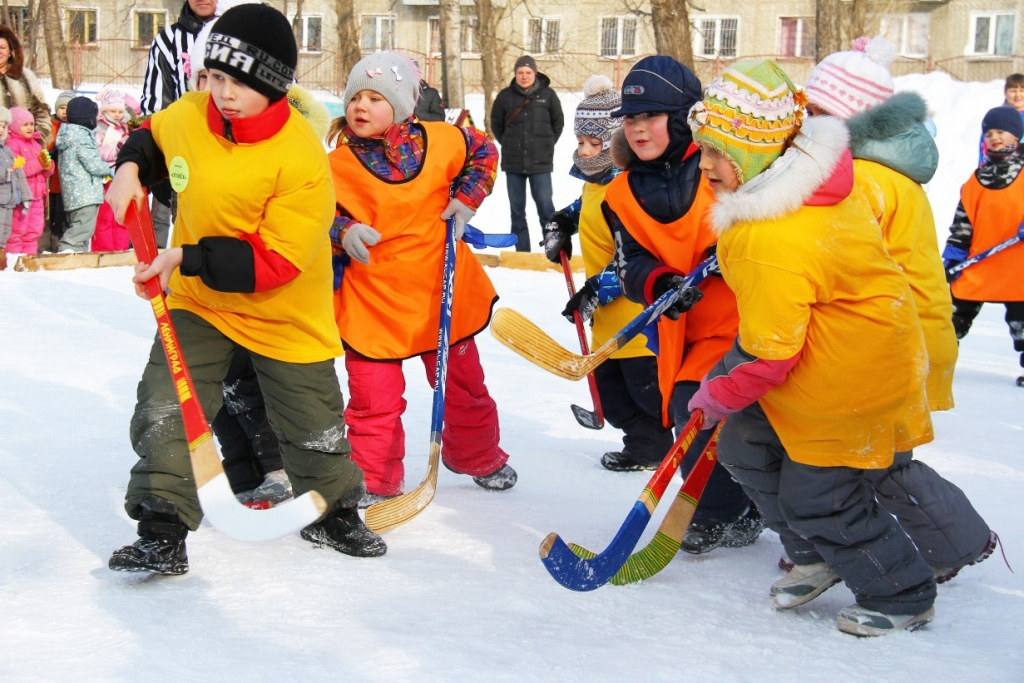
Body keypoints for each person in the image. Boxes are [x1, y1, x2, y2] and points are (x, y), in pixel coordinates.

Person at [105, 4, 385, 575]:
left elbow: (275, 261)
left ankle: (332, 512)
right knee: (167, 403)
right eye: (216, 78)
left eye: (241, 83)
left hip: (282, 307)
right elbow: (154, 137)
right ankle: (162, 526)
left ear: (276, 88)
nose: (224, 94)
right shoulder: (192, 112)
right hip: (200, 302)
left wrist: (184, 256)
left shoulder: (300, 157)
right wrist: (131, 168)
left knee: (312, 420)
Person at [687, 59, 937, 636]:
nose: (706, 166)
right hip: (817, 361)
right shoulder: (801, 183)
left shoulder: (769, 234)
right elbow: (770, 338)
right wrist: (725, 389)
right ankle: (817, 556)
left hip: (851, 376)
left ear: (756, 150)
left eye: (718, 151)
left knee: (818, 495)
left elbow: (770, 354)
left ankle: (902, 590)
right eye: (703, 148)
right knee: (746, 444)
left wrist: (718, 393)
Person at [803, 36, 996, 584]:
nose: (805, 125)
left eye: (817, 113)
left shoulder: (863, 182)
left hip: (897, 338)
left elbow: (841, 261)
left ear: (848, 119)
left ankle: (956, 542)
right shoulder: (878, 171)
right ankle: (944, 539)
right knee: (878, 458)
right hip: (906, 332)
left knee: (882, 462)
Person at [328, 52, 516, 507]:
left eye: (375, 98)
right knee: (373, 400)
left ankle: (476, 455)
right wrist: (342, 231)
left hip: (441, 290)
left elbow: (485, 150)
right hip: (374, 298)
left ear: (403, 104)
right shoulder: (335, 165)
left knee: (464, 386)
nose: (362, 106)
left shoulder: (443, 139)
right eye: (356, 97)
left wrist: (467, 199)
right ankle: (374, 478)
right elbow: (312, 213)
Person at [600, 56, 761, 553]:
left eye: (650, 116)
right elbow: (630, 264)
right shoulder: (620, 193)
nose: (638, 128)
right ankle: (728, 510)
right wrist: (663, 281)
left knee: (713, 408)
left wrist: (732, 247)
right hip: (685, 327)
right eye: (630, 118)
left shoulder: (718, 165)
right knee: (683, 410)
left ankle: (731, 508)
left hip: (750, 317)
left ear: (680, 117)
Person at [541, 74, 673, 471]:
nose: (583, 151)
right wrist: (563, 223)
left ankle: (654, 447)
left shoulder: (629, 191)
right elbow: (585, 210)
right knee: (611, 393)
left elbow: (633, 257)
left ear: (617, 143)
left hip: (637, 317)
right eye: (580, 142)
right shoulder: (595, 185)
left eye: (593, 144)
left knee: (644, 393)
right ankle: (641, 442)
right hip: (607, 319)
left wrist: (596, 290)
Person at [943, 105, 1024, 382]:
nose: (994, 137)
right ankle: (940, 360)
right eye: (989, 133)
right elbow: (962, 225)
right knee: (951, 318)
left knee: (1022, 325)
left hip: (1018, 269)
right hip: (980, 264)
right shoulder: (976, 181)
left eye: (1001, 131)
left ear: (1016, 136)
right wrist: (953, 257)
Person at [140, 0, 218, 249]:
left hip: (240, 150)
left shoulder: (247, 30)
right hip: (188, 150)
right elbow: (156, 101)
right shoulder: (169, 39)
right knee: (188, 236)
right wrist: (159, 152)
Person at [489, 55, 563, 251]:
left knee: (546, 209)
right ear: (515, 74)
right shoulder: (505, 96)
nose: (524, 76)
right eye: (520, 72)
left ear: (535, 73)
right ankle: (522, 251)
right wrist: (507, 142)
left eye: (528, 72)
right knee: (517, 212)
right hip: (513, 163)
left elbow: (558, 123)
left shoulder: (548, 95)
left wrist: (546, 144)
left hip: (541, 163)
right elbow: (496, 124)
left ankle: (554, 250)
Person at [54, 97, 110, 253]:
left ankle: (79, 251)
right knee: (83, 226)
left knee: (79, 223)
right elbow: (92, 163)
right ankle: (68, 249)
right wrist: (108, 168)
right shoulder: (81, 136)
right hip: (86, 192)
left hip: (74, 192)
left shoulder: (69, 134)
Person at [4, 106, 52, 255]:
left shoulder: (36, 144)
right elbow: (18, 171)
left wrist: (48, 166)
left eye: (31, 124)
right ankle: (14, 259)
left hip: (37, 197)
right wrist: (39, 164)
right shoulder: (12, 144)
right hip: (22, 197)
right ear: (14, 126)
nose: (30, 128)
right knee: (17, 231)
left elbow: (45, 173)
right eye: (25, 125)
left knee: (34, 231)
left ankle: (29, 259)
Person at [92, 90, 131, 252]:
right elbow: (97, 151)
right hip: (107, 177)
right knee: (105, 217)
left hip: (123, 176)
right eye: (113, 111)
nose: (117, 115)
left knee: (121, 216)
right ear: (105, 111)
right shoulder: (100, 129)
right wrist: (117, 149)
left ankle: (120, 248)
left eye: (120, 111)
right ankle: (104, 249)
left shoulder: (125, 127)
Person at [0, 25, 51, 146]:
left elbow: (41, 110)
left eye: (2, 47)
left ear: (10, 52)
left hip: (25, 148)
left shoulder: (26, 76)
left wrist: (37, 140)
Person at [39, 91, 75, 253]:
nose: (65, 112)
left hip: (66, 182)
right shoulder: (50, 124)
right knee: (46, 215)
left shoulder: (76, 126)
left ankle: (58, 245)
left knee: (62, 215)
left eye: (68, 108)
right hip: (48, 177)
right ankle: (44, 245)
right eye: (61, 108)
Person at [0, 106, 32, 270]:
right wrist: (6, 174)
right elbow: (7, 174)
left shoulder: (7, 151)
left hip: (9, 201)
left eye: (3, 126)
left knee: (4, 233)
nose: (0, 130)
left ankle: (2, 260)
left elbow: (20, 176)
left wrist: (26, 197)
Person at [979, 73, 1024, 163]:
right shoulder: (996, 118)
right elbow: (984, 149)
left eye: (1022, 90)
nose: (1017, 95)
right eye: (1013, 91)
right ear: (1005, 93)